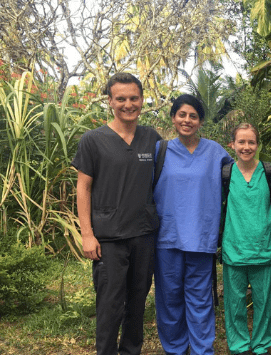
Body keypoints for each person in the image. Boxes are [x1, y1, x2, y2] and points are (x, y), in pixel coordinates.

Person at [73, 73, 161, 355]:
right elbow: (83, 188)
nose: (128, 104)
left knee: (137, 303)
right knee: (110, 306)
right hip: (108, 238)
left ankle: (131, 351)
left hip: (144, 235)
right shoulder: (93, 140)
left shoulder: (152, 139)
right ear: (109, 101)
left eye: (133, 98)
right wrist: (87, 234)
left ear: (142, 100)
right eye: (120, 98)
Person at [152, 94, 232, 354]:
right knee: (169, 298)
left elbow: (245, 173)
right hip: (167, 238)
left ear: (200, 121)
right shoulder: (160, 151)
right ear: (173, 118)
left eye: (193, 116)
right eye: (182, 114)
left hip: (201, 237)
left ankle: (201, 349)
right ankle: (175, 348)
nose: (187, 120)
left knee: (200, 299)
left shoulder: (215, 152)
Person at [222, 123, 271, 355]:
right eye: (241, 142)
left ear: (258, 145)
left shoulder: (270, 171)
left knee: (264, 303)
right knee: (234, 303)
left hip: (264, 248)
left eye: (251, 142)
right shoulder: (226, 174)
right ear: (232, 145)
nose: (246, 147)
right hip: (234, 248)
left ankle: (261, 345)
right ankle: (238, 346)